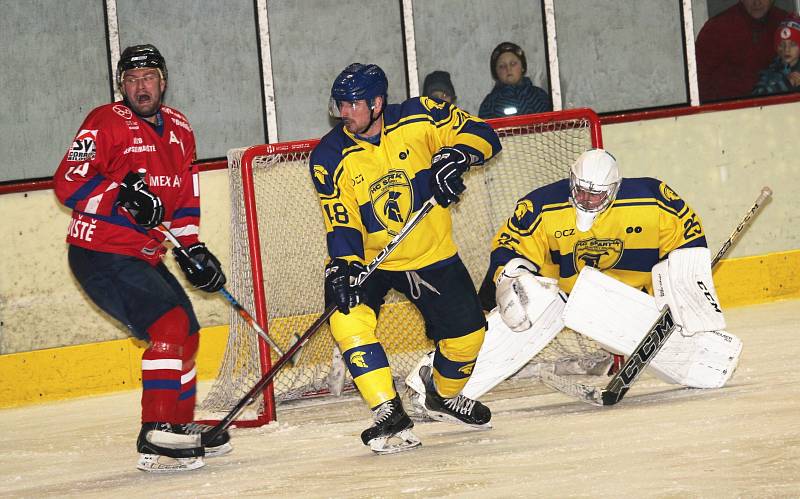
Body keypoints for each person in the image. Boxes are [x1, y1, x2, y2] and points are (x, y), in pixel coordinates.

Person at [54, 44, 231, 473]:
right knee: (168, 324)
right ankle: (155, 434)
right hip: (100, 252)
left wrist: (192, 247)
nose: (141, 87)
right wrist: (122, 198)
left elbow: (184, 197)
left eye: (148, 78)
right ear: (122, 86)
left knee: (187, 332)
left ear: (163, 81)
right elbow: (67, 183)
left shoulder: (180, 127)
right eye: (131, 80)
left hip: (144, 254)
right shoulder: (104, 121)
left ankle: (178, 424)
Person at [309, 63, 502, 454]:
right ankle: (388, 410)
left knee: (468, 338)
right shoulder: (328, 156)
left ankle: (442, 397)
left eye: (352, 104)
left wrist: (458, 157)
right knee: (346, 313)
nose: (342, 113)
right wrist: (344, 264)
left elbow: (484, 134)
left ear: (377, 103)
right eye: (339, 104)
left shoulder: (421, 115)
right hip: (372, 260)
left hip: (432, 254)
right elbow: (341, 220)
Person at [465, 148, 738, 397]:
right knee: (528, 302)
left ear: (614, 189)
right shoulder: (541, 204)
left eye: (595, 195)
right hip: (562, 294)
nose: (586, 200)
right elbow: (510, 246)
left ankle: (708, 360)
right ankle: (454, 381)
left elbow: (688, 234)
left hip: (628, 301)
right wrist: (510, 277)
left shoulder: (651, 199)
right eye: (580, 191)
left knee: (692, 342)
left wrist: (684, 281)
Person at [695, 0, 789, 102]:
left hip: (780, 110)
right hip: (730, 112)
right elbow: (697, 83)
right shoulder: (716, 29)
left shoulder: (787, 25)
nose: (756, 2)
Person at [478, 41, 552, 119]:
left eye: (513, 64)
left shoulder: (539, 97)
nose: (508, 69)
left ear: (523, 67)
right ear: (496, 72)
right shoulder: (489, 105)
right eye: (502, 66)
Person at [753, 16, 800, 95]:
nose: (786, 50)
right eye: (781, 44)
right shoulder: (770, 72)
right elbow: (756, 97)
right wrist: (786, 84)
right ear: (776, 47)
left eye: (793, 44)